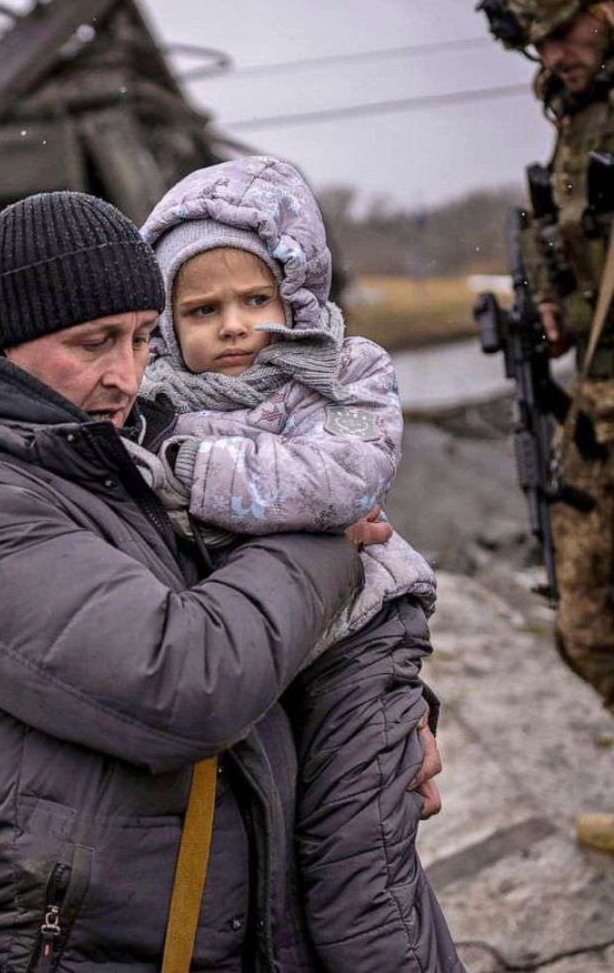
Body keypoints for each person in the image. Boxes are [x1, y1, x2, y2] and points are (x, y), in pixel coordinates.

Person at [0, 191, 441, 971]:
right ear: (4, 344)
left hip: (219, 921)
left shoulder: (112, 447)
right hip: (100, 946)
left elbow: (262, 626)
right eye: (93, 343)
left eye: (140, 339)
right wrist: (327, 541)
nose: (125, 375)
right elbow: (189, 680)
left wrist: (386, 717)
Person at [134, 156, 460, 971]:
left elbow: (341, 479)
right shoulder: (154, 403)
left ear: (294, 295)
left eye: (255, 300)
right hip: (266, 657)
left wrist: (191, 474)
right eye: (203, 310)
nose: (235, 326)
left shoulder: (344, 371)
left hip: (358, 640)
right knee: (284, 887)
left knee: (359, 873)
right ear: (170, 324)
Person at [480, 0, 614, 850]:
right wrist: (557, 303)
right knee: (587, 614)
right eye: (540, 44)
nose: (552, 57)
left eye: (563, 36)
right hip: (599, 403)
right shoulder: (575, 110)